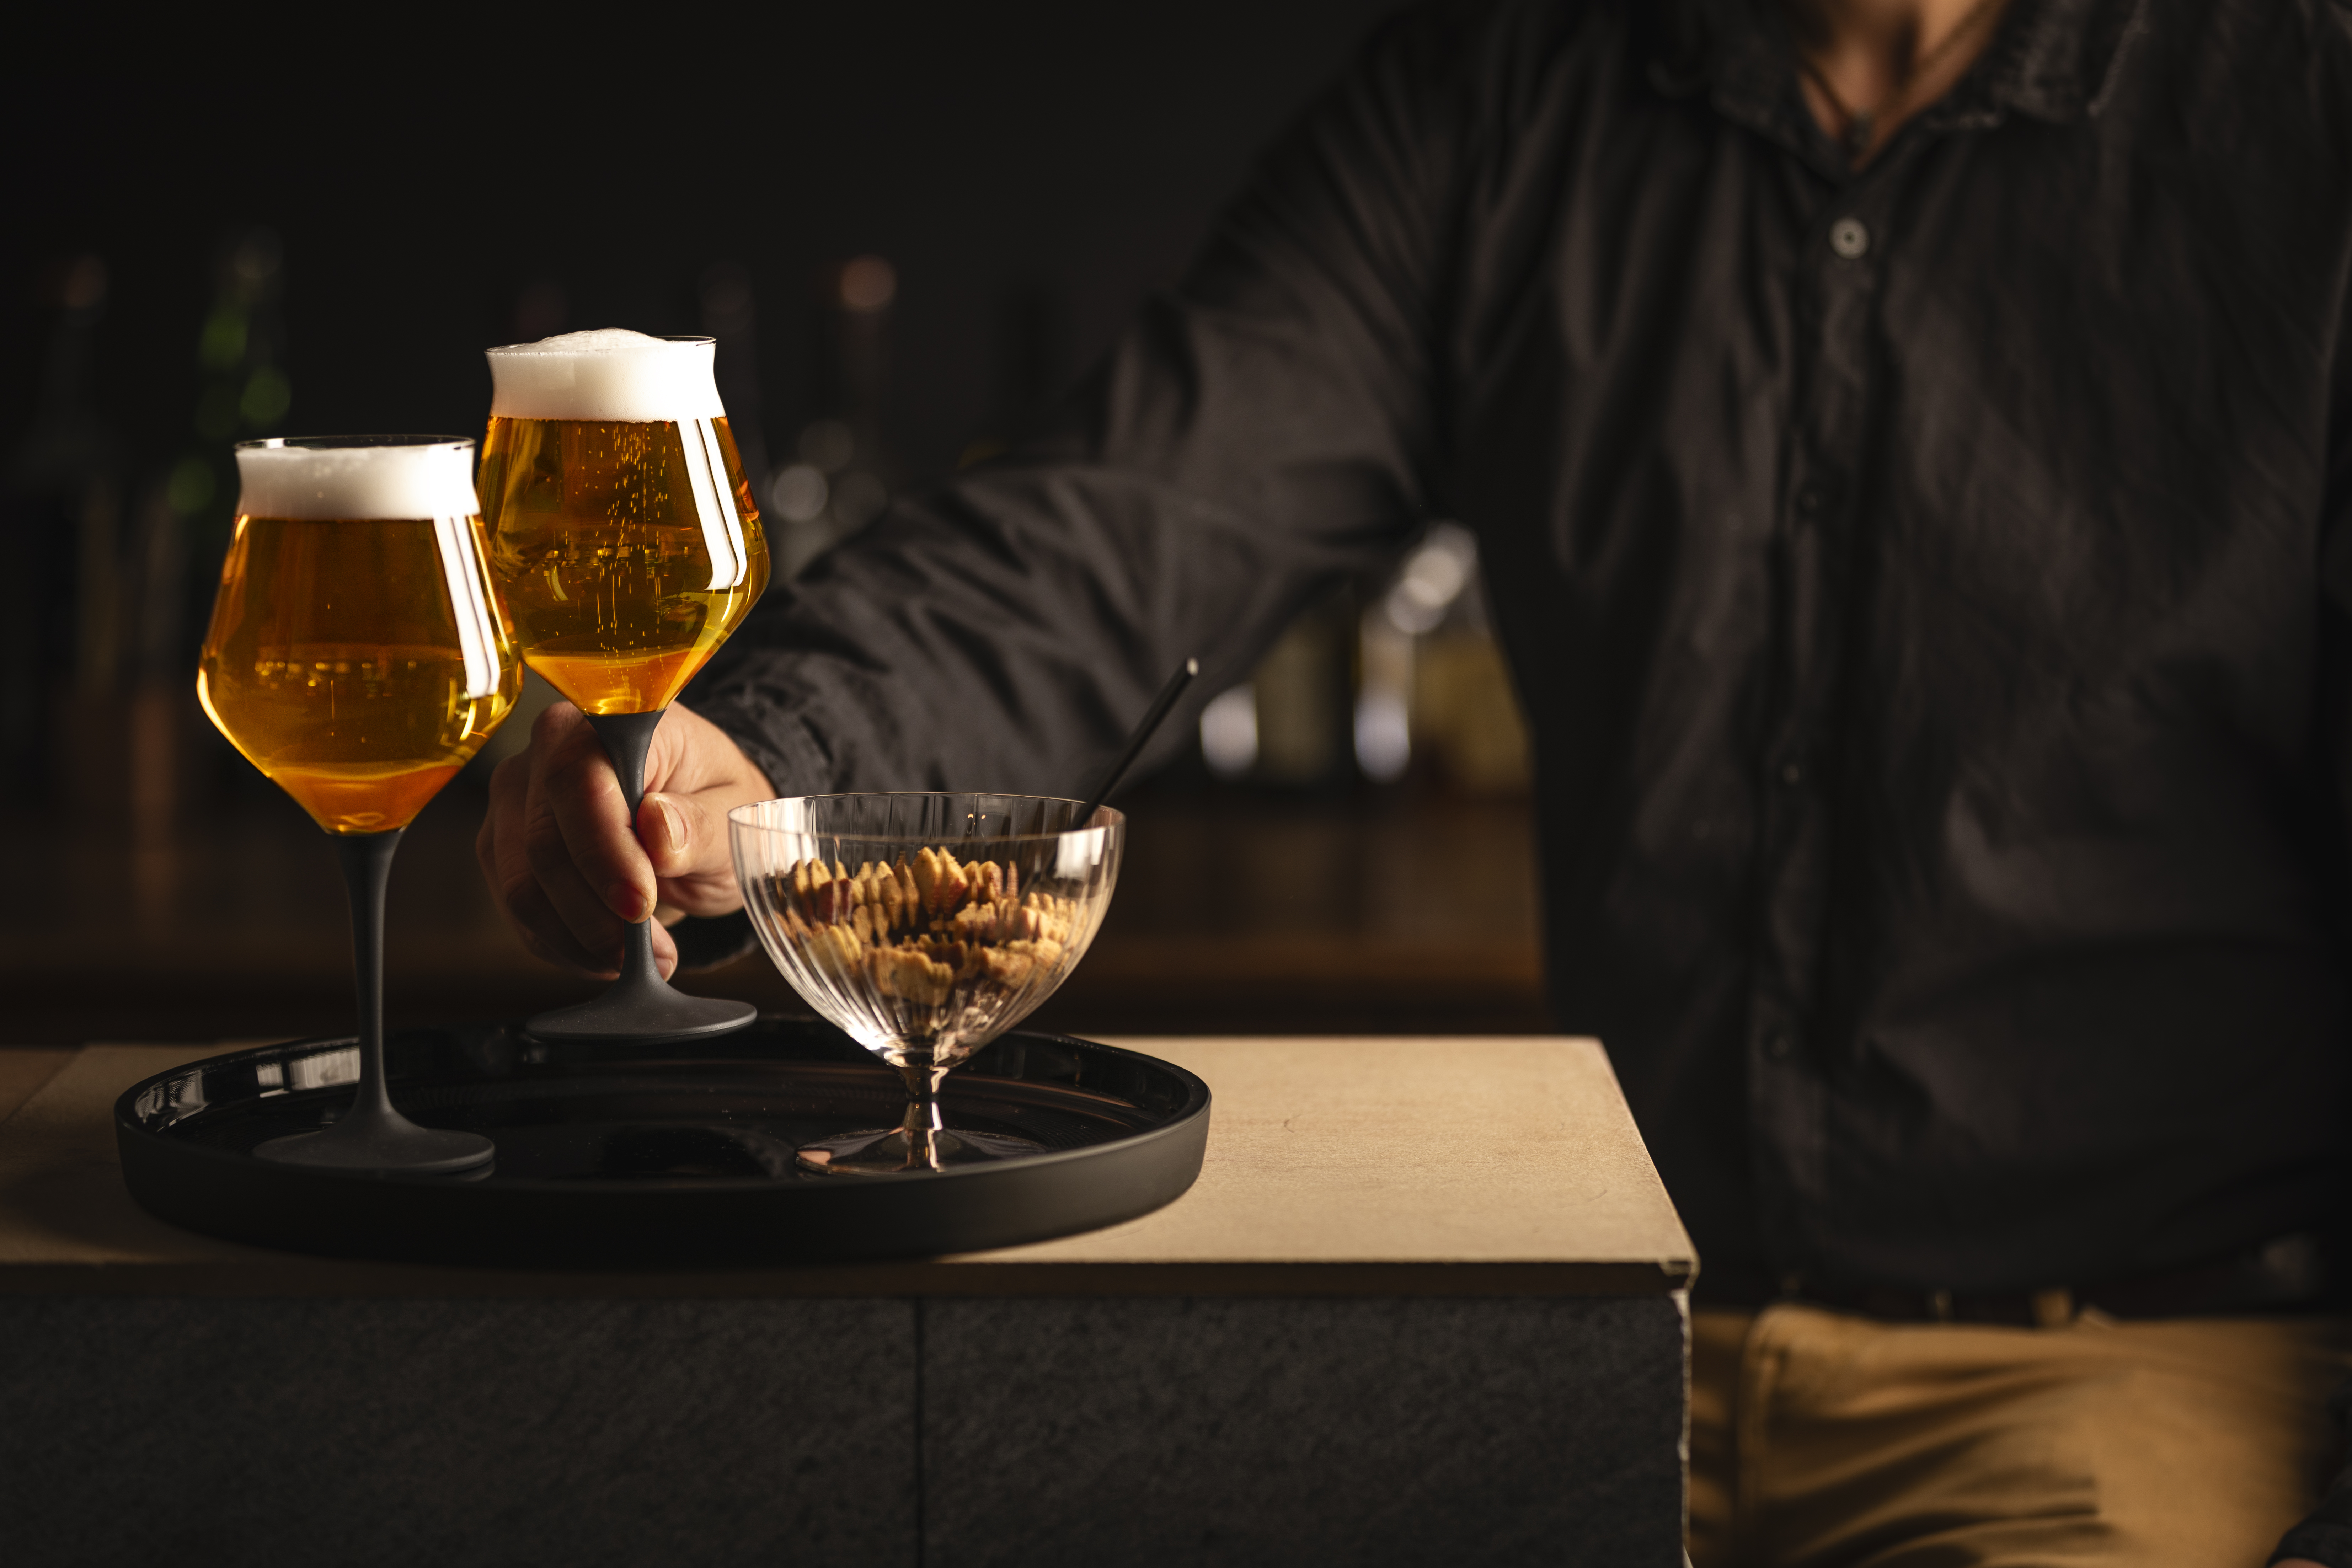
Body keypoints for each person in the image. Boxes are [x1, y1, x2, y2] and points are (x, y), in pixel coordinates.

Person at [475, 0, 2352, 1560]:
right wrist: (767, 762)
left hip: (2122, 1362)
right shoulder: (1512, 82)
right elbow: (1131, 519)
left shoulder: (2293, 107)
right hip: (1590, 1322)